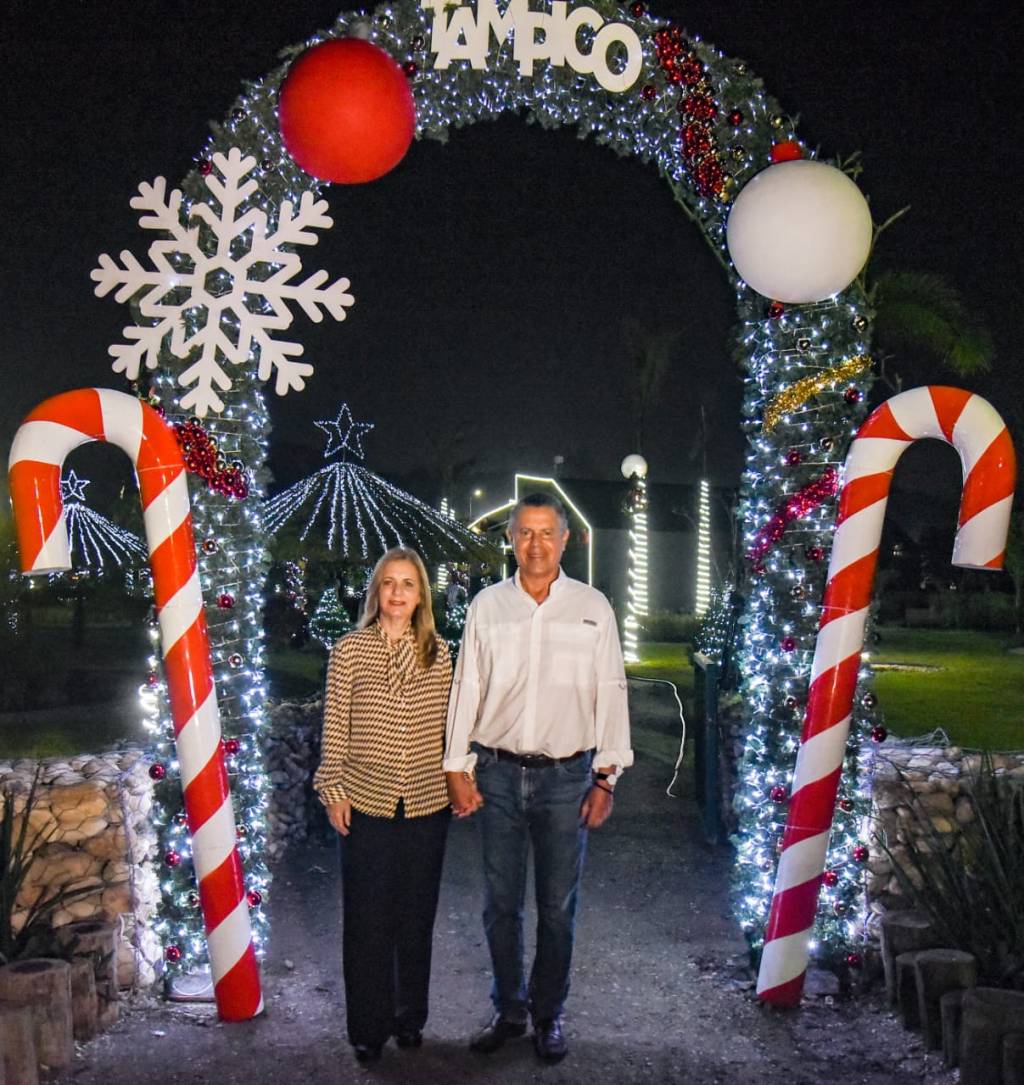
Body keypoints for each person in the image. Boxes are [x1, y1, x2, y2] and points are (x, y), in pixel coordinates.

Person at [445, 492, 633, 1063]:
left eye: (546, 532)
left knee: (556, 908)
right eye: (525, 532)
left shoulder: (592, 607)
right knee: (501, 905)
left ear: (565, 539)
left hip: (566, 779)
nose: (535, 544)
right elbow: (467, 686)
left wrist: (606, 778)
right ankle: (509, 1009)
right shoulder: (487, 606)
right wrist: (456, 766)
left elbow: (610, 691)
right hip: (497, 774)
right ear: (510, 538)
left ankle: (549, 1013)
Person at [314, 546, 453, 1064]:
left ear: (421, 596)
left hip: (425, 804)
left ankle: (408, 1016)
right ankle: (368, 1026)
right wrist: (333, 789)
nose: (398, 592)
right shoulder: (349, 651)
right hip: (366, 803)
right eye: (389, 583)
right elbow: (336, 725)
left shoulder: (440, 654)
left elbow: (449, 728)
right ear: (376, 592)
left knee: (415, 918)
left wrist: (462, 778)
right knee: (368, 920)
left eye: (408, 584)